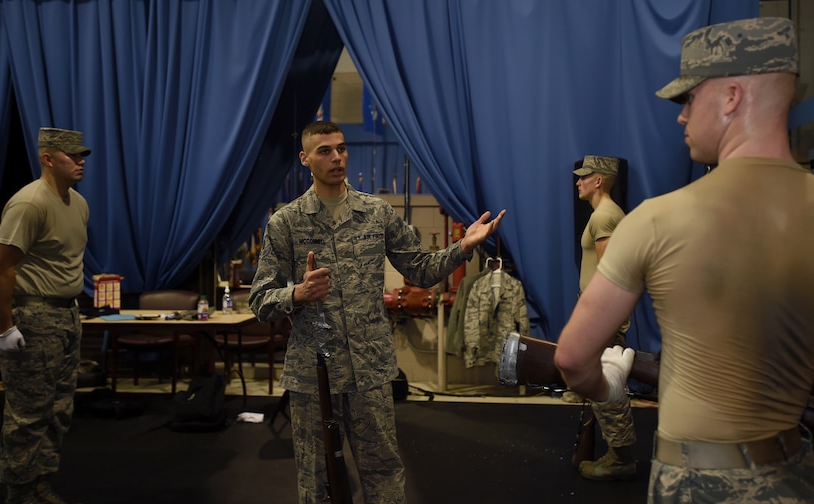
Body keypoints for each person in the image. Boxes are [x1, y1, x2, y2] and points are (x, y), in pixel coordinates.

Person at [554, 17, 814, 503]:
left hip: (697, 480)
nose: (681, 116)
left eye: (689, 98)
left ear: (733, 97)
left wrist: (607, 387)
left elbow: (571, 357)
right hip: (797, 472)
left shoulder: (658, 219)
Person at [249, 120, 505, 503]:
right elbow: (260, 301)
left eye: (341, 148)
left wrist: (463, 248)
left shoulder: (375, 213)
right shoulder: (287, 223)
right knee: (316, 480)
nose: (337, 157)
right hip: (313, 375)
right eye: (325, 151)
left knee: (383, 473)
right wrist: (298, 293)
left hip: (369, 371)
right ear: (304, 159)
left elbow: (419, 268)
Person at [0, 127, 91, 504]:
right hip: (33, 317)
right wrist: (4, 328)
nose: (81, 162)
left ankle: (41, 483)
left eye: (83, 155)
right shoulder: (29, 203)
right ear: (48, 158)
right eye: (73, 156)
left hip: (66, 316)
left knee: (59, 408)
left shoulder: (77, 203)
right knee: (28, 412)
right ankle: (19, 491)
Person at [568, 155, 636, 480]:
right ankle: (618, 453)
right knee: (601, 386)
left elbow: (610, 276)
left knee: (606, 387)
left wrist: (598, 320)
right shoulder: (603, 215)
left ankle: (622, 457)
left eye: (584, 176)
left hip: (602, 315)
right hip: (598, 313)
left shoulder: (605, 216)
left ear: (599, 181)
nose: (577, 181)